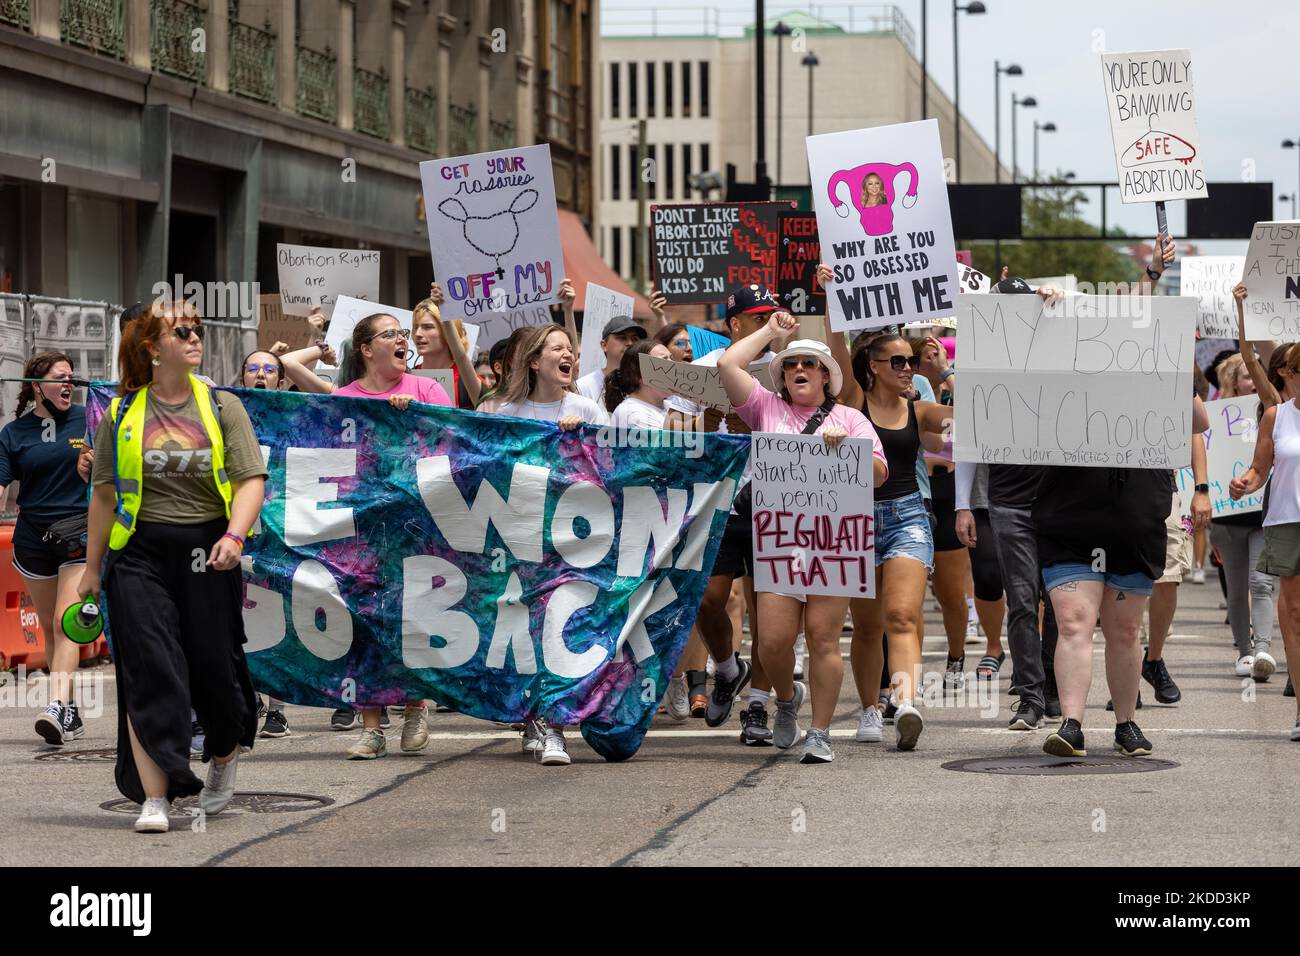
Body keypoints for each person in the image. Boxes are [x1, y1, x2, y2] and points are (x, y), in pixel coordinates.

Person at [80, 300, 266, 833]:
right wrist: (93, 570)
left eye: (197, 330)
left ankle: (225, 753)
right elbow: (103, 495)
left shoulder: (222, 405)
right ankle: (155, 796)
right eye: (179, 331)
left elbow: (251, 478)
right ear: (150, 347)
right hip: (137, 553)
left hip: (207, 550)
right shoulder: (119, 414)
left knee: (214, 670)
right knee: (149, 666)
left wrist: (235, 534)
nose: (194, 337)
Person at [1037, 234, 1204, 759]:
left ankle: (1126, 723)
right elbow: (1015, 358)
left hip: (1133, 513)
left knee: (1126, 629)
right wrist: (1037, 311)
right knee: (1073, 622)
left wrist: (1153, 283)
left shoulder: (1155, 369)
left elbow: (1198, 421)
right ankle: (1071, 723)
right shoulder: (1061, 371)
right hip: (1070, 511)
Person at [718, 314, 886, 763]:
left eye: (811, 364)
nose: (800, 370)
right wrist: (772, 333)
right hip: (779, 541)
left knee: (822, 638)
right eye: (793, 365)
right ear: (782, 377)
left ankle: (821, 732)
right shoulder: (764, 409)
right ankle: (788, 698)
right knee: (772, 642)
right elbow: (729, 365)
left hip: (833, 541)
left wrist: (847, 451)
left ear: (827, 377)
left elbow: (879, 474)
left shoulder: (850, 418)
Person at [664, 284, 789, 747]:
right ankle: (727, 667)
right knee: (707, 600)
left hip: (773, 499)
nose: (769, 326)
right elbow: (672, 435)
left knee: (767, 612)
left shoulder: (787, 369)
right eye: (760, 320)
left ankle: (758, 705)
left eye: (773, 317)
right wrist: (716, 424)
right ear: (735, 325)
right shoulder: (699, 371)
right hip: (716, 500)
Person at [481, 322, 609, 764]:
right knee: (526, 633)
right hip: (521, 539)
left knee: (561, 629)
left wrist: (582, 442)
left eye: (570, 348)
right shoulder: (506, 412)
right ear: (535, 361)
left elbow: (616, 469)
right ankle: (534, 717)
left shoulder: (587, 409)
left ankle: (556, 728)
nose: (568, 353)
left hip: (574, 542)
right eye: (557, 348)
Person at [329, 313, 452, 759]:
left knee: (412, 615)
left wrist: (413, 419)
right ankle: (371, 726)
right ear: (366, 349)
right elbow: (328, 457)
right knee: (363, 620)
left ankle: (416, 706)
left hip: (416, 524)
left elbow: (456, 442)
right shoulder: (342, 398)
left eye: (404, 334)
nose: (403, 340)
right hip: (360, 528)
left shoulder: (426, 390)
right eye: (391, 334)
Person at [956, 275, 1066, 731]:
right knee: (1022, 599)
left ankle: (1055, 685)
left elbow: (1102, 330)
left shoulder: (1059, 353)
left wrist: (1060, 301)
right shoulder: (980, 368)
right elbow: (968, 440)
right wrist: (964, 504)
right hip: (1009, 500)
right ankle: (1030, 695)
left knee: (1060, 600)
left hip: (1061, 500)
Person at [0, 353, 91, 746]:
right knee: (50, 630)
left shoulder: (92, 419)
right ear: (37, 386)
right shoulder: (13, 433)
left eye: (72, 377)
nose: (68, 383)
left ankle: (54, 705)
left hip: (80, 532)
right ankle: (69, 710)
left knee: (64, 621)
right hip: (33, 539)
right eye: (59, 377)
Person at [1229, 350, 1300, 739]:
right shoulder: (1277, 416)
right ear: (1290, 374)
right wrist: (1244, 484)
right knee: (1294, 616)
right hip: (1287, 522)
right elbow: (1259, 470)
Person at [236, 349, 294, 738]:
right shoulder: (227, 410)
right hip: (239, 526)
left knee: (277, 617)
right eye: (253, 369)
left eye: (269, 369)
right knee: (240, 616)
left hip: (280, 529)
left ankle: (277, 708)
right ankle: (248, 696)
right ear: (242, 378)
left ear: (280, 380)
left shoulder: (293, 415)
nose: (261, 374)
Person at [414, 285, 481, 408]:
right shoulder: (403, 377)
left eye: (428, 327)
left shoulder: (467, 382)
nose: (417, 334)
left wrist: (444, 311)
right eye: (415, 327)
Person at [576, 315, 647, 403]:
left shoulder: (647, 388)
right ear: (604, 345)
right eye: (622, 338)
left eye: (635, 339)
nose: (629, 343)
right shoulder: (584, 387)